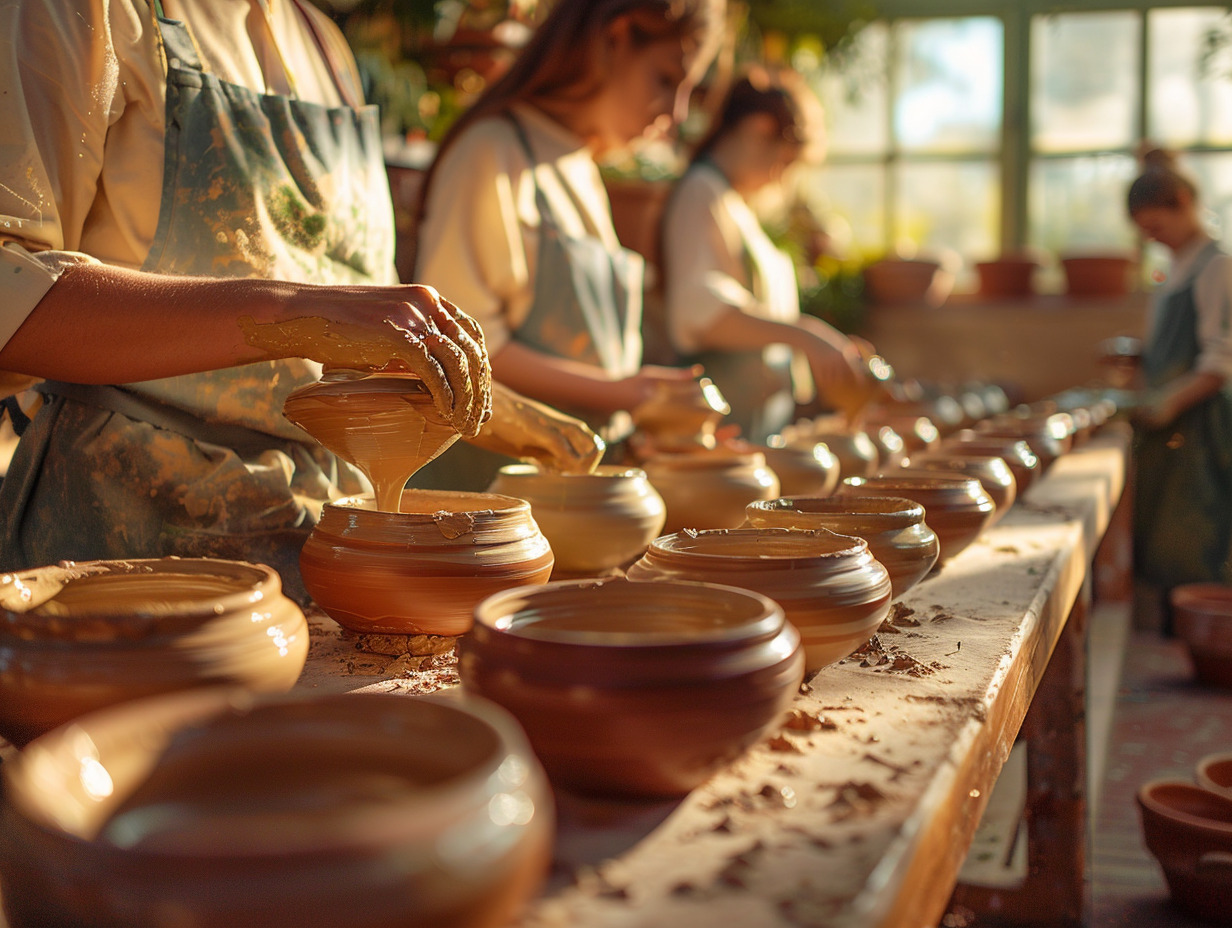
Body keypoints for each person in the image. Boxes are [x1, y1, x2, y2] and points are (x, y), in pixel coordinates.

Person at [0, 0, 597, 597]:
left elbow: (369, 340)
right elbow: (10, 290)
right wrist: (288, 313)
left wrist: (517, 420)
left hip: (326, 542)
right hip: (127, 551)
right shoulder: (78, 12)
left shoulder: (324, 45)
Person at [412, 0, 726, 488]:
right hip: (493, 507)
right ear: (615, 38)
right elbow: (463, 350)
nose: (677, 112)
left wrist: (640, 408)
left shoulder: (578, 164)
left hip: (576, 492)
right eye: (666, 79)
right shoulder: (492, 151)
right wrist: (627, 392)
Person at [659, 66, 868, 444]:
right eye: (786, 163)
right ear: (757, 130)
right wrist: (807, 336)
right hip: (722, 431)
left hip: (757, 426)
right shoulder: (700, 192)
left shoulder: (732, 203)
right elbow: (699, 314)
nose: (781, 180)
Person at [1126, 148, 1232, 593]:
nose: (1154, 240)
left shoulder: (1218, 267)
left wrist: (1167, 403)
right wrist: (1136, 356)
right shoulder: (1174, 271)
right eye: (1144, 233)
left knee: (1196, 539)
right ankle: (1177, 636)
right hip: (1169, 425)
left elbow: (1220, 363)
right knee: (1163, 540)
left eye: (1157, 227)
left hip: (1201, 428)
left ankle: (1200, 648)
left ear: (1185, 205)